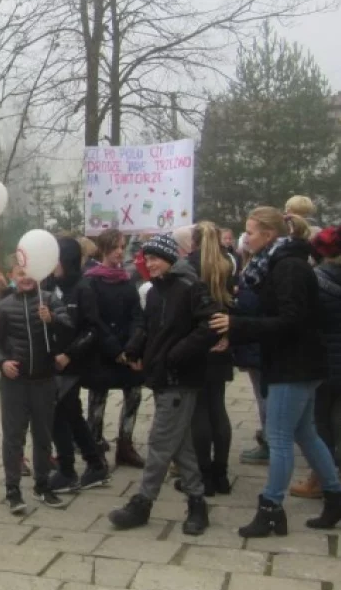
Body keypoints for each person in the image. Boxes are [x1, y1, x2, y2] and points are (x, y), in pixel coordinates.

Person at [210, 208, 341, 537]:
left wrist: (238, 325)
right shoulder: (281, 262)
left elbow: (291, 321)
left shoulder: (288, 267)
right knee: (305, 433)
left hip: (295, 364)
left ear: (269, 235)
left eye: (250, 231)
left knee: (278, 438)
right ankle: (337, 499)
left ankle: (271, 508)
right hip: (299, 361)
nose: (245, 237)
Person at [108, 235, 219, 536]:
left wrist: (177, 354)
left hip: (180, 379)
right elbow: (147, 326)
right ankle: (197, 504)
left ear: (170, 258)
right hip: (161, 378)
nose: (150, 263)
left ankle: (142, 503)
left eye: (155, 257)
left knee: (159, 442)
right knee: (180, 446)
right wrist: (133, 349)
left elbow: (210, 326)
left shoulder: (191, 288)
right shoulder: (156, 292)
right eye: (147, 258)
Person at [290, 224, 341, 504]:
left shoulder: (319, 281)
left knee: (320, 425)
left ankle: (319, 480)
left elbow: (309, 322)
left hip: (323, 363)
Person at [0, 260, 74, 512]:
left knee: (43, 436)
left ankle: (42, 485)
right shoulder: (4, 306)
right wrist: (3, 363)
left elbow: (69, 326)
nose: (26, 278)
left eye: (30, 273)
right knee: (13, 437)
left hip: (44, 381)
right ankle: (12, 489)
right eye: (20, 274)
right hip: (15, 383)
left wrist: (52, 318)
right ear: (12, 276)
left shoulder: (50, 299)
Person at [48, 237, 110, 493]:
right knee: (70, 413)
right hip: (52, 362)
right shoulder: (49, 286)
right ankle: (95, 465)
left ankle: (67, 469)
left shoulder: (83, 289)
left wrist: (69, 354)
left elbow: (93, 329)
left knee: (59, 413)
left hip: (72, 364)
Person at [183, 222, 238, 496]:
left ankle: (203, 474)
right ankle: (222, 473)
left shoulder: (189, 266)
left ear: (193, 242)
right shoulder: (227, 264)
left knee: (199, 411)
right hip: (222, 339)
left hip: (198, 342)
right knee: (218, 407)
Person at [83, 230, 146, 470]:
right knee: (97, 400)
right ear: (103, 249)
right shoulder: (91, 280)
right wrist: (113, 349)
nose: (120, 251)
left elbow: (136, 315)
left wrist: (132, 346)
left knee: (134, 395)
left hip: (127, 350)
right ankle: (95, 448)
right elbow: (93, 319)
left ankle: (125, 445)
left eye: (122, 247)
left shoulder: (126, 279)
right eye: (115, 247)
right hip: (102, 350)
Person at [234, 232, 270, 466]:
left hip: (259, 340)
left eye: (251, 231)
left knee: (264, 394)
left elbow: (252, 307)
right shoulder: (258, 266)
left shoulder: (260, 269)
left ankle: (269, 442)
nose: (247, 238)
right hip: (258, 339)